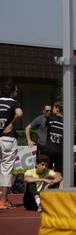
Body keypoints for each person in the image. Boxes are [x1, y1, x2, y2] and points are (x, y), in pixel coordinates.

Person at [0, 81, 23, 209]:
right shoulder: (13, 102)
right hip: (7, 139)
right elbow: (19, 114)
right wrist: (11, 125)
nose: (17, 93)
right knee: (6, 169)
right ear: (11, 92)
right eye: (16, 91)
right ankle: (3, 200)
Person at [44, 101, 64, 173]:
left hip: (49, 149)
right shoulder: (66, 121)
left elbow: (45, 126)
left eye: (53, 108)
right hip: (60, 151)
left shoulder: (50, 118)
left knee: (47, 171)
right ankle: (58, 184)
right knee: (59, 172)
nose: (52, 110)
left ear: (57, 109)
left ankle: (48, 184)